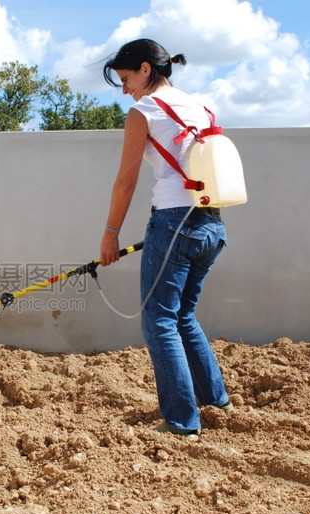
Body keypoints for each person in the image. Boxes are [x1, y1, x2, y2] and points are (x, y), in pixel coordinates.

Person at [99, 38, 233, 441]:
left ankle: (181, 422)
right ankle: (216, 402)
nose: (125, 90)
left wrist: (110, 234)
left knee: (159, 322)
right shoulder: (202, 106)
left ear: (145, 69)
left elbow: (126, 179)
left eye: (125, 79)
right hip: (211, 225)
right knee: (183, 317)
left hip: (174, 223)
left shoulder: (143, 111)